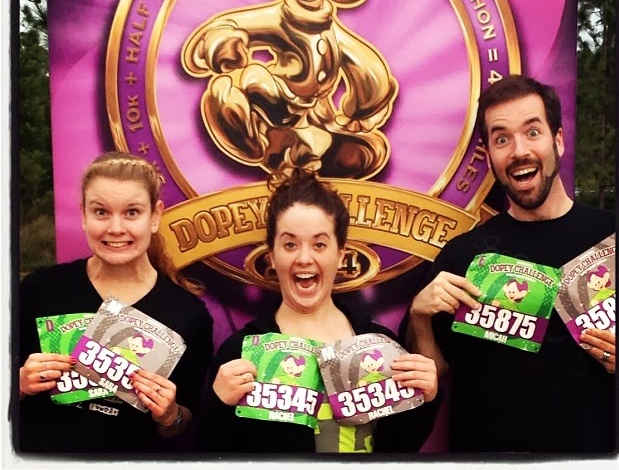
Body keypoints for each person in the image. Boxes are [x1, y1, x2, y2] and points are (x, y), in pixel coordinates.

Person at [402, 74, 617, 454]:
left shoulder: (617, 239)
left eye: (532, 132)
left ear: (558, 141)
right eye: (502, 139)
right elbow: (431, 374)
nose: (519, 151)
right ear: (490, 157)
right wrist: (420, 315)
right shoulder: (462, 256)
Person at [195, 168, 439, 454]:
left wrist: (426, 397)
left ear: (340, 254)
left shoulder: (381, 345)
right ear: (272, 256)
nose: (304, 258)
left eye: (319, 244)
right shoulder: (241, 352)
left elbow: (399, 450)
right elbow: (212, 454)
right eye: (290, 244)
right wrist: (217, 404)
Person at [17, 152, 214, 455]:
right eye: (101, 212)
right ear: (83, 215)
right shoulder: (39, 289)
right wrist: (18, 384)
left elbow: (181, 424)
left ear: (155, 216)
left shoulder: (190, 315)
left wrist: (169, 414)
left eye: (132, 212)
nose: (116, 228)